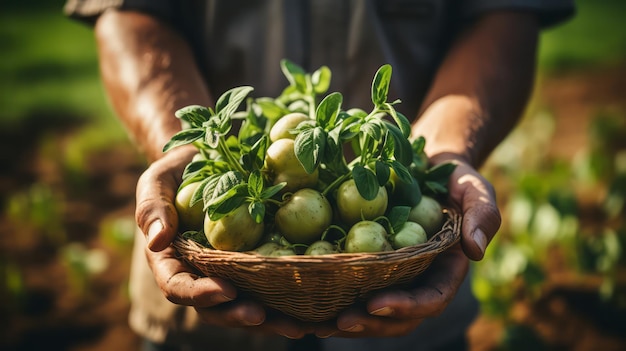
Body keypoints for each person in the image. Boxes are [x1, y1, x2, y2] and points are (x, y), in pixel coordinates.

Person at [64, 1, 574, 350]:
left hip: (409, 308)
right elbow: (128, 13)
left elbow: (506, 16)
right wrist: (192, 148)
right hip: (202, 321)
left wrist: (444, 151)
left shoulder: (359, 202)